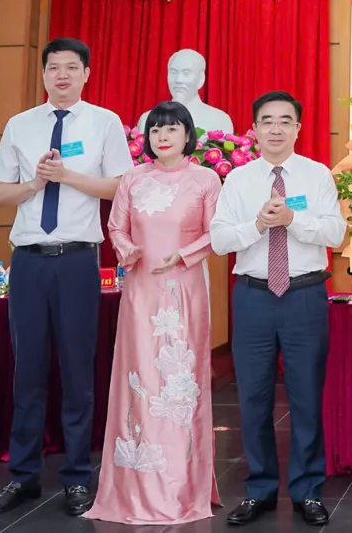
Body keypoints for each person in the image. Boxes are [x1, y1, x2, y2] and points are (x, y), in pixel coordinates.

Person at [0, 37, 133, 516]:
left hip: (76, 261)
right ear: (44, 74)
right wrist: (35, 183)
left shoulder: (104, 122)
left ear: (86, 73)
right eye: (53, 68)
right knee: (27, 370)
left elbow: (121, 187)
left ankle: (76, 477)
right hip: (29, 260)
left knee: (76, 370)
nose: (62, 75)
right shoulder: (20, 124)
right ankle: (23, 476)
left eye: (71, 67)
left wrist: (67, 176)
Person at [210, 91, 346, 527]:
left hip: (305, 295)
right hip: (253, 297)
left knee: (306, 396)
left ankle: (307, 491)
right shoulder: (238, 180)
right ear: (254, 129)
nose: (275, 128)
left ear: (298, 128)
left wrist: (291, 220)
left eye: (285, 121)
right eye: (267, 120)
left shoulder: (317, 175)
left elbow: (335, 233)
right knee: (253, 398)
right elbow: (220, 240)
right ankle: (260, 490)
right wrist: (257, 225)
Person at [83, 101, 223, 525]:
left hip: (184, 289)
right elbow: (116, 227)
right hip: (140, 290)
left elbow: (215, 232)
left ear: (188, 135)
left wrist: (183, 255)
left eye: (172, 129)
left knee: (179, 381)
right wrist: (128, 252)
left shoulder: (205, 178)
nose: (163, 136)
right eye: (156, 130)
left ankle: (182, 486)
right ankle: (134, 484)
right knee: (139, 376)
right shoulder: (133, 178)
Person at [138, 49, 235, 134]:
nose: (178, 80)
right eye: (173, 72)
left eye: (186, 73)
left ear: (201, 79)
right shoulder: (147, 119)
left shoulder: (219, 120)